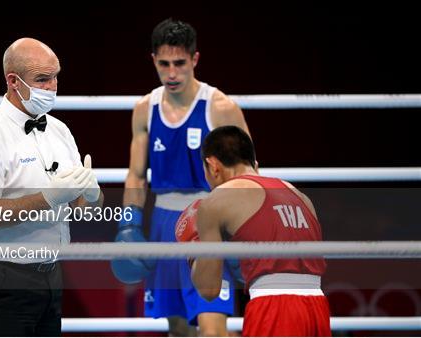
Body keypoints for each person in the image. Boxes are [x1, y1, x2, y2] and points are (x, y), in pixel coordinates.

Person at [111, 19, 251, 336]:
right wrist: (128, 223)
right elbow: (135, 175)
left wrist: (245, 229)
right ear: (153, 61)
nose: (171, 73)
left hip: (209, 221)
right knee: (178, 330)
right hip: (164, 223)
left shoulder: (220, 107)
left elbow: (249, 172)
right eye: (164, 64)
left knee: (213, 327)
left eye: (179, 63)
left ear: (195, 60)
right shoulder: (144, 109)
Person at [0, 37, 103, 336]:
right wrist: (48, 198)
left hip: (52, 272)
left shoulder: (60, 131)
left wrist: (92, 194)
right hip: (2, 274)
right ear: (13, 81)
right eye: (42, 79)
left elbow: (83, 208)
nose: (52, 86)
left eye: (55, 77)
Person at [176, 125, 331, 336]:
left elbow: (209, 290)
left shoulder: (216, 201)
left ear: (213, 166)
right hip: (317, 307)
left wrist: (194, 252)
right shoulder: (298, 194)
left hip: (273, 307)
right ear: (253, 163)